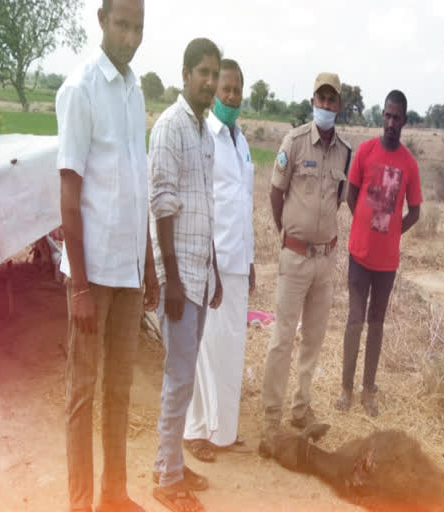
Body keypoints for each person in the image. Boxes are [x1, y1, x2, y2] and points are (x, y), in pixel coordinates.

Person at [56, 0, 158, 511]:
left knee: (119, 391)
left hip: (128, 272)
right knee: (83, 393)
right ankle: (80, 503)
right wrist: (77, 284)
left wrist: (150, 268)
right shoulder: (81, 90)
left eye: (138, 27)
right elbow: (69, 192)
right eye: (123, 24)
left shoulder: (136, 91)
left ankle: (113, 495)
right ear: (101, 20)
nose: (131, 36)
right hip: (92, 273)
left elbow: (136, 186)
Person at [259, 72, 352, 456]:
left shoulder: (346, 152)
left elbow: (339, 200)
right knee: (282, 339)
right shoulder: (294, 142)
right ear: (313, 101)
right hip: (294, 257)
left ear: (339, 106)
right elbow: (276, 193)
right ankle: (271, 417)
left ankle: (301, 408)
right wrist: (288, 235)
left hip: (325, 260)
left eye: (333, 101)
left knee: (313, 339)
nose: (326, 106)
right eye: (321, 99)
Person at [148, 38, 222, 512]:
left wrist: (212, 269)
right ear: (184, 75)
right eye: (203, 73)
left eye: (214, 74)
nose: (211, 83)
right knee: (177, 378)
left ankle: (171, 461)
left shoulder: (205, 134)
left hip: (200, 271)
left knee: (185, 374)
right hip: (179, 276)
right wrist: (171, 280)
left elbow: (206, 208)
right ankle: (165, 477)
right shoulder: (170, 128)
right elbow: (162, 205)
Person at [183, 58, 255, 462]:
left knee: (231, 349)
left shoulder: (241, 141)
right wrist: (208, 264)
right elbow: (202, 205)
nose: (231, 96)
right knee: (204, 349)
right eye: (225, 88)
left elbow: (244, 204)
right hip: (211, 264)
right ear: (214, 93)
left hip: (238, 263)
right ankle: (195, 433)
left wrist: (251, 261)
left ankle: (223, 432)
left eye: (237, 89)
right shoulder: (204, 137)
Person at [334, 90, 422, 417]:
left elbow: (415, 212)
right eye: (386, 115)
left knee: (376, 324)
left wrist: (393, 230)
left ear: (404, 121)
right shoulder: (366, 152)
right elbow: (350, 193)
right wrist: (363, 224)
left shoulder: (409, 164)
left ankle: (367, 390)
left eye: (396, 117)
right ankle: (345, 388)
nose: (390, 122)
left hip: (387, 263)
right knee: (355, 321)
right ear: (381, 116)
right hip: (359, 255)